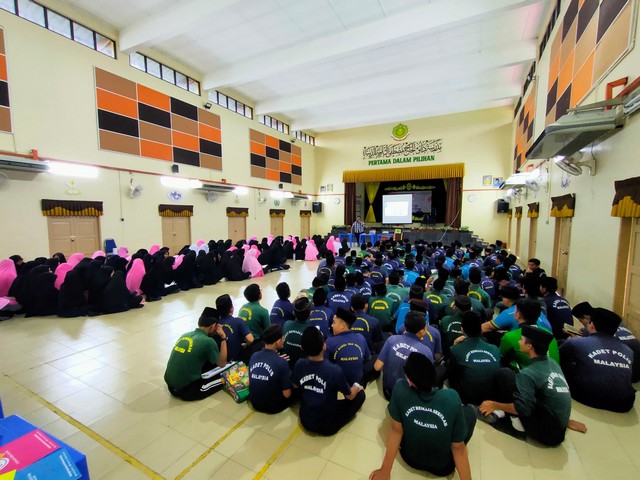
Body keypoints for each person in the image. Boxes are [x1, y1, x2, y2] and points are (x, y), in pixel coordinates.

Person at [370, 352, 474, 480]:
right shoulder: (452, 397)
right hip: (443, 468)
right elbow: (458, 448)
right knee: (470, 412)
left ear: (409, 381)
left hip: (409, 458)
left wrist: (385, 470)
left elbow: (396, 430)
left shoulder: (400, 388)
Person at [478, 325, 585, 446]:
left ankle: (516, 426)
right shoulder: (552, 363)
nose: (519, 342)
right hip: (558, 426)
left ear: (529, 346)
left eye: (521, 340)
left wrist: (494, 405)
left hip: (546, 433)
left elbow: (522, 408)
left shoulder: (528, 373)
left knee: (504, 375)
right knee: (511, 378)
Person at [559, 308, 636, 412]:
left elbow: (559, 356)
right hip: (624, 403)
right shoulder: (628, 350)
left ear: (592, 326)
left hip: (586, 395)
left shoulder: (576, 343)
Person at [292, 326, 366, 436]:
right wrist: (357, 386)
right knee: (360, 396)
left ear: (302, 348)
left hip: (306, 420)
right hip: (328, 425)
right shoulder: (334, 370)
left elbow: (295, 386)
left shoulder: (299, 364)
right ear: (324, 346)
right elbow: (350, 396)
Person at [164, 307, 228, 401]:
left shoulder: (185, 335)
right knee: (225, 378)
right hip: (188, 390)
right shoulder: (208, 341)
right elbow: (222, 363)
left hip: (170, 386)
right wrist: (223, 337)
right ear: (214, 325)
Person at [569, 301, 640, 382]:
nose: (582, 324)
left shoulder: (592, 329)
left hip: (626, 374)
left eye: (580, 321)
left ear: (586, 317)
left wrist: (574, 337)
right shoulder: (612, 322)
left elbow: (582, 349)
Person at [374, 311, 434, 400]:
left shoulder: (391, 339)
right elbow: (427, 379)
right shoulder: (426, 351)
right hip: (407, 398)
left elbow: (377, 367)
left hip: (388, 392)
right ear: (421, 331)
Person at [447, 312, 501, 405]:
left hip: (467, 398)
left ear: (462, 329)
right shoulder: (495, 349)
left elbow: (451, 374)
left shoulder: (455, 349)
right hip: (492, 397)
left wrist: (454, 346)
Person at [500, 298, 559, 371]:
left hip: (531, 376)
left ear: (517, 314)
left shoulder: (510, 336)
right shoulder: (549, 333)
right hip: (556, 374)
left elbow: (501, 358)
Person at [248, 325, 294, 414]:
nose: (284, 340)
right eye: (283, 338)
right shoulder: (282, 362)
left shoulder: (254, 356)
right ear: (278, 341)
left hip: (254, 402)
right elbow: (287, 395)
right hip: (273, 407)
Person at [325, 307, 375, 385]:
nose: (331, 325)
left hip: (338, 386)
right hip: (358, 384)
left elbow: (324, 366)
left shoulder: (330, 342)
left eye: (334, 323)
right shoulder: (361, 338)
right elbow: (367, 358)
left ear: (342, 325)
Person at [216, 294, 254, 363]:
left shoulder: (215, 324)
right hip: (236, 360)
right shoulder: (238, 321)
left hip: (220, 361)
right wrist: (246, 345)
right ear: (232, 309)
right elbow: (250, 339)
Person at [283, 296, 312, 368]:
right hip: (302, 368)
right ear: (310, 314)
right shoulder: (311, 331)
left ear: (294, 312)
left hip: (286, 365)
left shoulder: (286, 324)